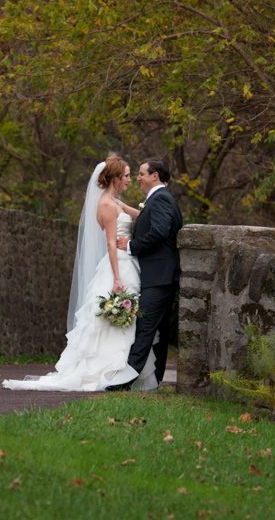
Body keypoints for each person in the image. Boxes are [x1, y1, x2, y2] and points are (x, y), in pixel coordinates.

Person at [2, 156, 157, 392]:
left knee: (128, 317)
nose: (129, 179)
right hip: (118, 266)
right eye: (126, 176)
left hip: (128, 262)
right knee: (108, 321)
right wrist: (117, 278)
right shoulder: (106, 205)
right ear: (115, 178)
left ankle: (125, 372)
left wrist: (152, 204)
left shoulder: (115, 202)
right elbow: (110, 243)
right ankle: (109, 370)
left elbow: (140, 215)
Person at [106, 158, 182, 391]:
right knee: (157, 330)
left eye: (141, 174)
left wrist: (131, 245)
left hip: (159, 276)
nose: (137, 178)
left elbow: (159, 231)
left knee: (145, 327)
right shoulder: (157, 199)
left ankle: (125, 382)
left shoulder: (161, 199)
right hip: (159, 276)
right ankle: (154, 380)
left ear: (154, 175)